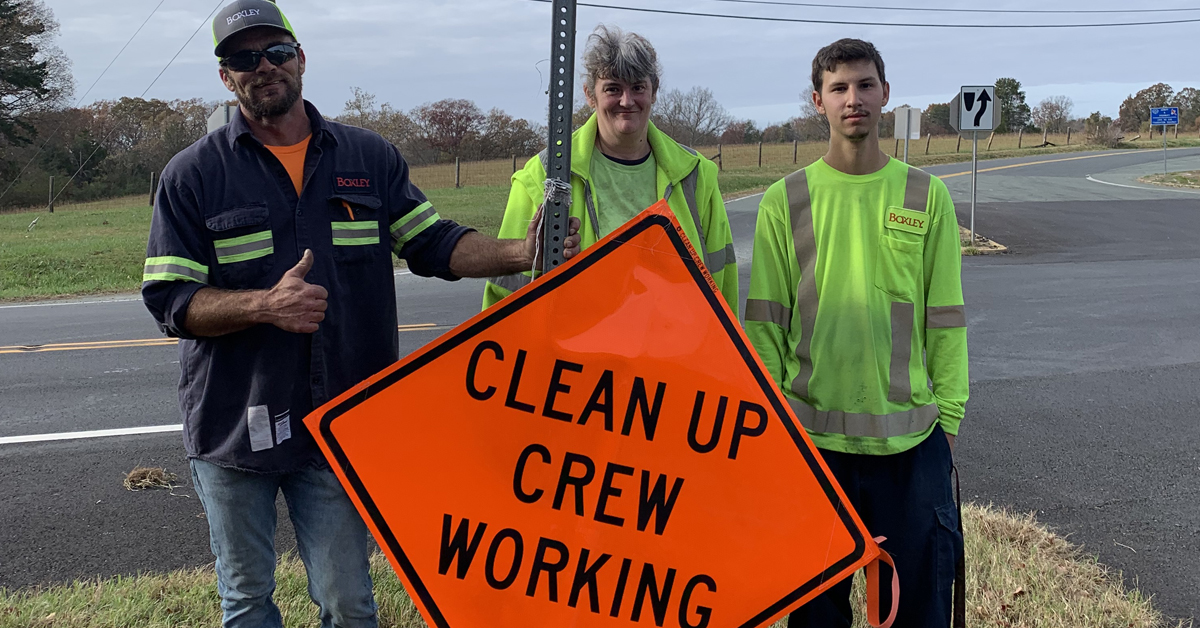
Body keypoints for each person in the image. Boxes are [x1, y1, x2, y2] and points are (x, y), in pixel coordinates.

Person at [141, 2, 579, 627]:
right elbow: (171, 302)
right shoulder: (192, 176)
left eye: (276, 52)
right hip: (235, 426)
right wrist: (266, 305)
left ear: (301, 58)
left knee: (349, 602)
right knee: (246, 600)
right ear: (224, 77)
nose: (263, 68)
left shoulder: (367, 159)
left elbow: (433, 242)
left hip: (340, 423)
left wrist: (520, 251)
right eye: (243, 58)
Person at [744, 39, 967, 627]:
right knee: (816, 619)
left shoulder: (927, 196)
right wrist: (777, 435)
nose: (854, 99)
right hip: (813, 451)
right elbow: (765, 325)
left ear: (886, 95)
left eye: (866, 85)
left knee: (921, 612)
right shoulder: (783, 201)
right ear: (817, 101)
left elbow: (945, 317)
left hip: (913, 448)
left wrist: (948, 420)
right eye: (839, 88)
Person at [483, 24, 738, 312]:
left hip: (673, 352)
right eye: (613, 89)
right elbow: (504, 295)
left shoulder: (696, 174)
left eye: (638, 87)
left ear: (654, 91)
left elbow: (721, 282)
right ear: (590, 95)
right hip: (576, 353)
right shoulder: (543, 174)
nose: (626, 101)